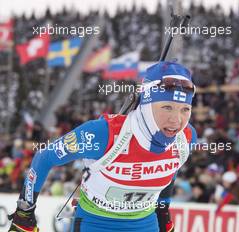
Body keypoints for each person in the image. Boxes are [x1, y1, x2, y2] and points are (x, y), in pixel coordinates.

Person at [8, 61, 197, 232]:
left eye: (185, 109)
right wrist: (24, 213)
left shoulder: (186, 138)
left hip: (145, 224)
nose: (176, 120)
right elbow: (44, 157)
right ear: (146, 104)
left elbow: (170, 169)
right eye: (167, 107)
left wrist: (163, 213)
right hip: (97, 224)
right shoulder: (102, 133)